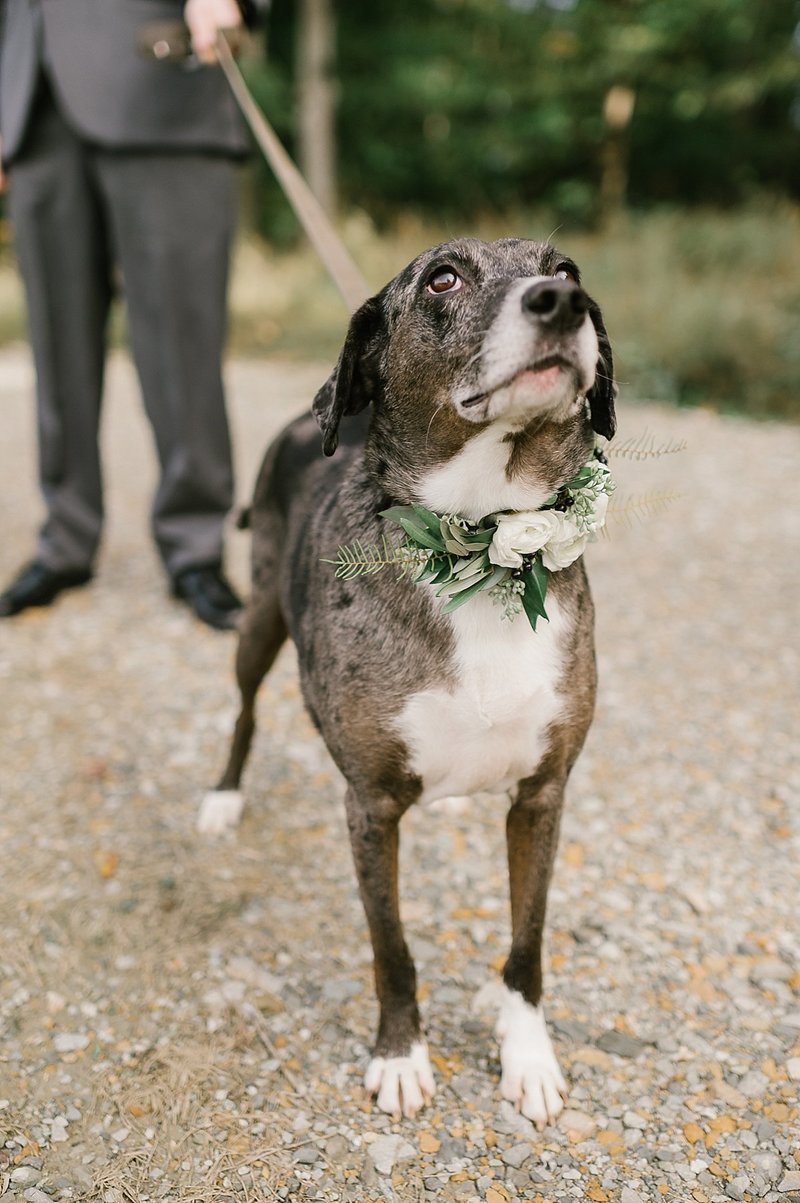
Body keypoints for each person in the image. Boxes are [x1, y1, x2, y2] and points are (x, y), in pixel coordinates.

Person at [0, 0, 265, 629]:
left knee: (181, 347)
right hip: (31, 101)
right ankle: (65, 539)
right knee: (56, 346)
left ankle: (194, 546)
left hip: (159, 78)